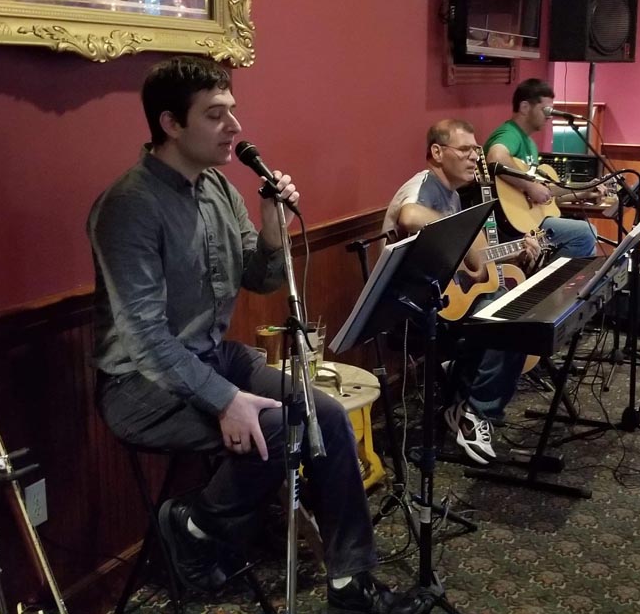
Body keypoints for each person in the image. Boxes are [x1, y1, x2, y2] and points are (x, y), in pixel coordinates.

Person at [87, 56, 409, 614]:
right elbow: (145, 340)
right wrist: (227, 400)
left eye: (232, 111)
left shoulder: (218, 187)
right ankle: (194, 522)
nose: (234, 127)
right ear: (170, 124)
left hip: (211, 357)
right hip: (138, 385)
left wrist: (271, 228)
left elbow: (260, 278)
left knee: (325, 415)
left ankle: (349, 583)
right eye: (215, 115)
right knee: (282, 430)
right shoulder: (128, 207)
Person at [382, 118, 540, 465]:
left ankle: (463, 403)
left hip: (445, 299)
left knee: (515, 304)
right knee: (508, 318)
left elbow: (463, 258)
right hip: (412, 309)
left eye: (476, 150)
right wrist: (467, 244)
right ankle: (475, 414)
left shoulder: (451, 194)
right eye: (465, 149)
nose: (473, 157)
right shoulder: (423, 188)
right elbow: (409, 217)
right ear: (437, 152)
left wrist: (513, 251)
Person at [483, 78, 599, 258]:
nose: (549, 116)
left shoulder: (530, 143)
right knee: (585, 234)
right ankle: (547, 272)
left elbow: (544, 197)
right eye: (545, 110)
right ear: (524, 107)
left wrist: (584, 192)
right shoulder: (510, 133)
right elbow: (496, 158)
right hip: (506, 223)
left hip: (529, 218)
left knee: (587, 237)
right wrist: (529, 186)